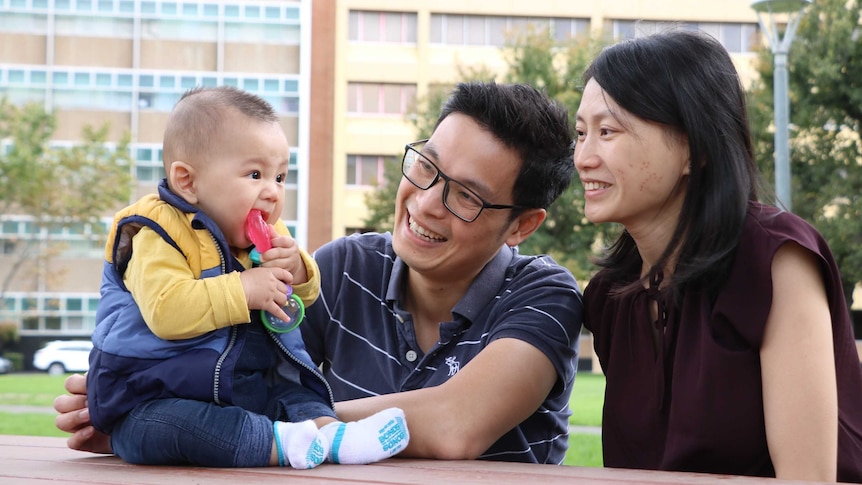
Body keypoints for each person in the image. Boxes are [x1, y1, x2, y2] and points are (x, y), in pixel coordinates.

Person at [55, 81, 583, 464]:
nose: (424, 204)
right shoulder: (344, 265)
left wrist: (286, 428)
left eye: (465, 195)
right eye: (425, 166)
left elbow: (455, 426)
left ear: (523, 225)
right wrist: (151, 412)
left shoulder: (546, 295)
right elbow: (244, 368)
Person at [574, 30, 862, 482]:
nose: (583, 157)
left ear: (696, 149)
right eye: (580, 133)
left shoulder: (775, 259)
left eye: (607, 132)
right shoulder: (611, 295)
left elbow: (809, 478)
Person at [85, 85, 409, 469]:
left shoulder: (269, 233)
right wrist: (243, 288)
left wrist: (299, 271)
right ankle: (284, 445)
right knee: (170, 428)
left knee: (295, 397)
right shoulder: (156, 233)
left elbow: (299, 301)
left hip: (244, 385)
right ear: (187, 182)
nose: (272, 192)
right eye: (255, 174)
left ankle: (333, 435)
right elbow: (165, 311)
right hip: (152, 393)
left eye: (281, 177)